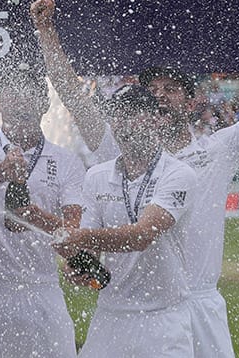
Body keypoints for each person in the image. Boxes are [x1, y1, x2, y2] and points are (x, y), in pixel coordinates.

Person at [32, 0, 239, 357]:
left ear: (189, 102)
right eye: (152, 90)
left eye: (170, 89)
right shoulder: (119, 149)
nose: (159, 96)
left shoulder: (215, 151)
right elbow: (74, 98)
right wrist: (46, 33)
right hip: (133, 308)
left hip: (199, 304)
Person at [53, 84, 197, 357]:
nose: (123, 123)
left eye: (133, 113)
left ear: (156, 119)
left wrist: (79, 238)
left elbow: (142, 236)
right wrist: (76, 261)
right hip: (110, 316)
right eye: (117, 115)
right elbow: (90, 245)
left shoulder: (179, 174)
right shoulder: (97, 175)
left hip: (162, 320)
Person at [0, 68, 84, 357]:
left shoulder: (66, 161)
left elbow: (73, 234)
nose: (23, 102)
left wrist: (33, 216)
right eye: (14, 93)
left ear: (44, 103)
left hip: (42, 289)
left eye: (31, 94)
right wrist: (0, 172)